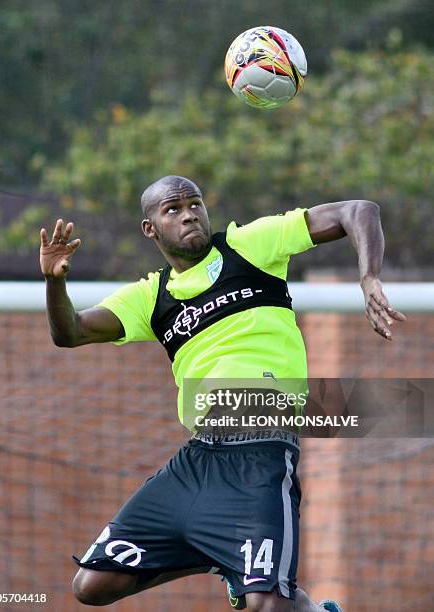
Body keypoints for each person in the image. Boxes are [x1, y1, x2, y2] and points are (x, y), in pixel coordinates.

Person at [40, 175, 405, 612]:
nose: (188, 214)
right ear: (150, 229)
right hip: (196, 461)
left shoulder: (248, 246)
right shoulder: (149, 297)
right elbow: (71, 333)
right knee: (92, 585)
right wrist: (55, 283)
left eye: (194, 203)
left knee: (266, 606)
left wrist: (369, 278)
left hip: (262, 450)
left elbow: (358, 210)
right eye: (171, 209)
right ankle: (227, 561)